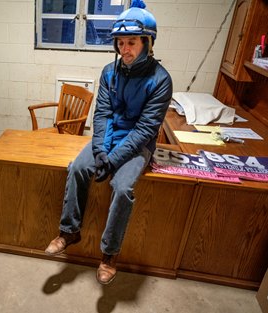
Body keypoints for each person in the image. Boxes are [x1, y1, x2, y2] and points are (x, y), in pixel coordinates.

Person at [44, 0, 172, 285]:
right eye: (120, 43)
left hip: (138, 143)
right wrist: (101, 150)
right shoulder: (108, 72)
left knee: (122, 187)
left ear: (147, 43)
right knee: (78, 167)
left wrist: (113, 161)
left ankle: (109, 254)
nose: (124, 49)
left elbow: (145, 129)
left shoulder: (161, 80)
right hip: (108, 138)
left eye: (132, 43)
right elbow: (101, 112)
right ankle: (69, 231)